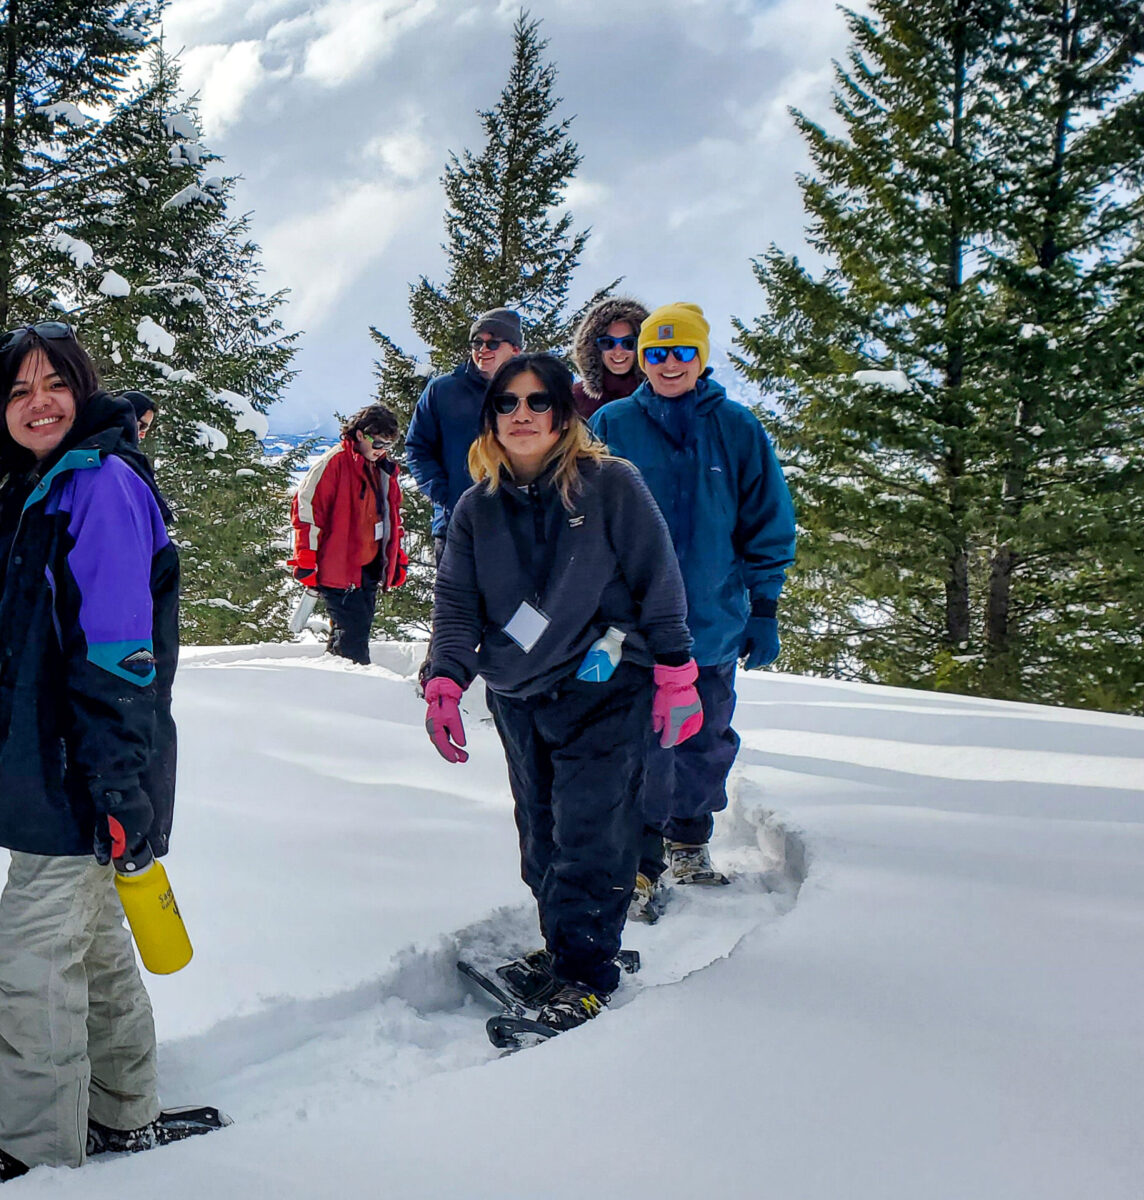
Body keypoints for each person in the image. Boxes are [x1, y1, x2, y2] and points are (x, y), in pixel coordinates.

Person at [0, 322, 212, 1179]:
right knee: (92, 953)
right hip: (49, 771)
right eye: (19, 390)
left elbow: (120, 660)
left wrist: (118, 789)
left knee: (27, 970)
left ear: (82, 388)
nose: (39, 402)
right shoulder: (25, 498)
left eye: (54, 382)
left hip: (82, 777)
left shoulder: (99, 487)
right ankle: (125, 1117)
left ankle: (38, 1157)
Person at [421, 352, 704, 1031]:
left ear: (562, 412)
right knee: (541, 836)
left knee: (591, 833)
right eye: (508, 403)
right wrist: (444, 682)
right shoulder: (476, 508)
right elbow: (457, 604)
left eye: (537, 401)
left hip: (605, 679)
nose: (522, 415)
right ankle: (565, 947)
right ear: (490, 418)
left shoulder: (610, 485)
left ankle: (583, 973)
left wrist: (674, 670)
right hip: (518, 691)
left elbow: (657, 580)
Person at [590, 302, 795, 894]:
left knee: (703, 737)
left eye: (682, 351)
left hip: (711, 619)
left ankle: (689, 840)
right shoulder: (613, 425)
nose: (669, 363)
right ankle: (637, 856)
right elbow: (584, 515)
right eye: (656, 352)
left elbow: (768, 521)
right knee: (635, 740)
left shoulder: (737, 427)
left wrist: (764, 607)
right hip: (629, 623)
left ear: (701, 357)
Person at [287, 404, 410, 664]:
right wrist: (305, 560)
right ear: (360, 435)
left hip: (367, 568)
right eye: (377, 443)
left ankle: (338, 690)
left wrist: (395, 560)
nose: (381, 450)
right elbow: (307, 514)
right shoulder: (335, 463)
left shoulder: (382, 470)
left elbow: (391, 520)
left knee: (353, 637)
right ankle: (349, 693)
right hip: (339, 570)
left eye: (387, 445)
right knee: (352, 645)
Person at [403, 307, 524, 567]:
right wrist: (443, 493)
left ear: (515, 348)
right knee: (455, 606)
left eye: (493, 342)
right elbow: (417, 447)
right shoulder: (442, 390)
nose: (483, 349)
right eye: (477, 342)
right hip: (455, 526)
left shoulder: (532, 391)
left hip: (519, 527)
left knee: (514, 608)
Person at [570, 296, 649, 419]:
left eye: (628, 343)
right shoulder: (575, 400)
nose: (618, 352)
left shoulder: (659, 395)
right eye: (607, 343)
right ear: (594, 347)